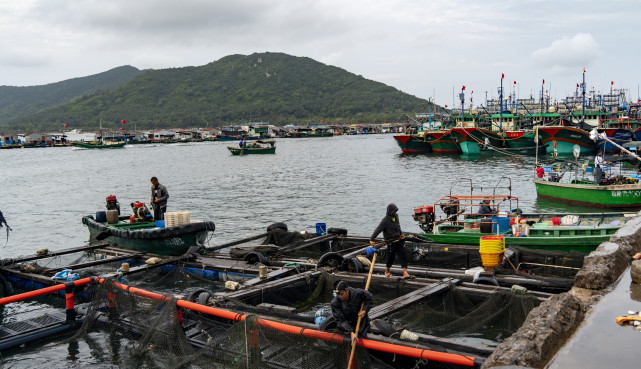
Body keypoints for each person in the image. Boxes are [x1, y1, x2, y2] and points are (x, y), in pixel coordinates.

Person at [369, 203, 412, 279]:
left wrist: (401, 234)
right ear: (390, 211)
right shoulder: (385, 220)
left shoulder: (396, 217)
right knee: (391, 258)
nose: (395, 212)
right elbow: (378, 229)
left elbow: (398, 227)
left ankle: (405, 273)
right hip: (391, 242)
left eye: (395, 211)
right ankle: (387, 271)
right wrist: (372, 239)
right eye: (394, 211)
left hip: (399, 241)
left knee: (403, 256)